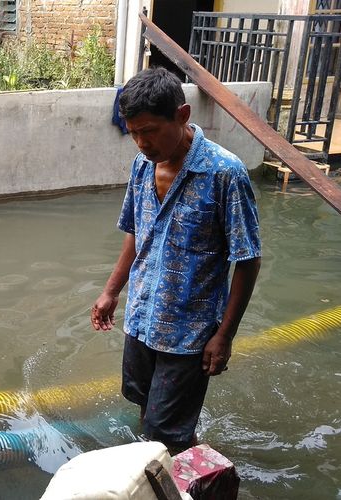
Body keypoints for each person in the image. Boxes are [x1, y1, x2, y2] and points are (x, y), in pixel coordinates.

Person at [91, 67, 261, 452]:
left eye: (149, 130)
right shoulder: (141, 167)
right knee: (143, 407)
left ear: (182, 116)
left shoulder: (225, 173)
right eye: (133, 132)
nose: (140, 142)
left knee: (167, 431)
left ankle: (182, 477)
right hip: (141, 319)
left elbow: (248, 260)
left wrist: (224, 335)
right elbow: (137, 233)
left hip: (188, 335)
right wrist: (111, 291)